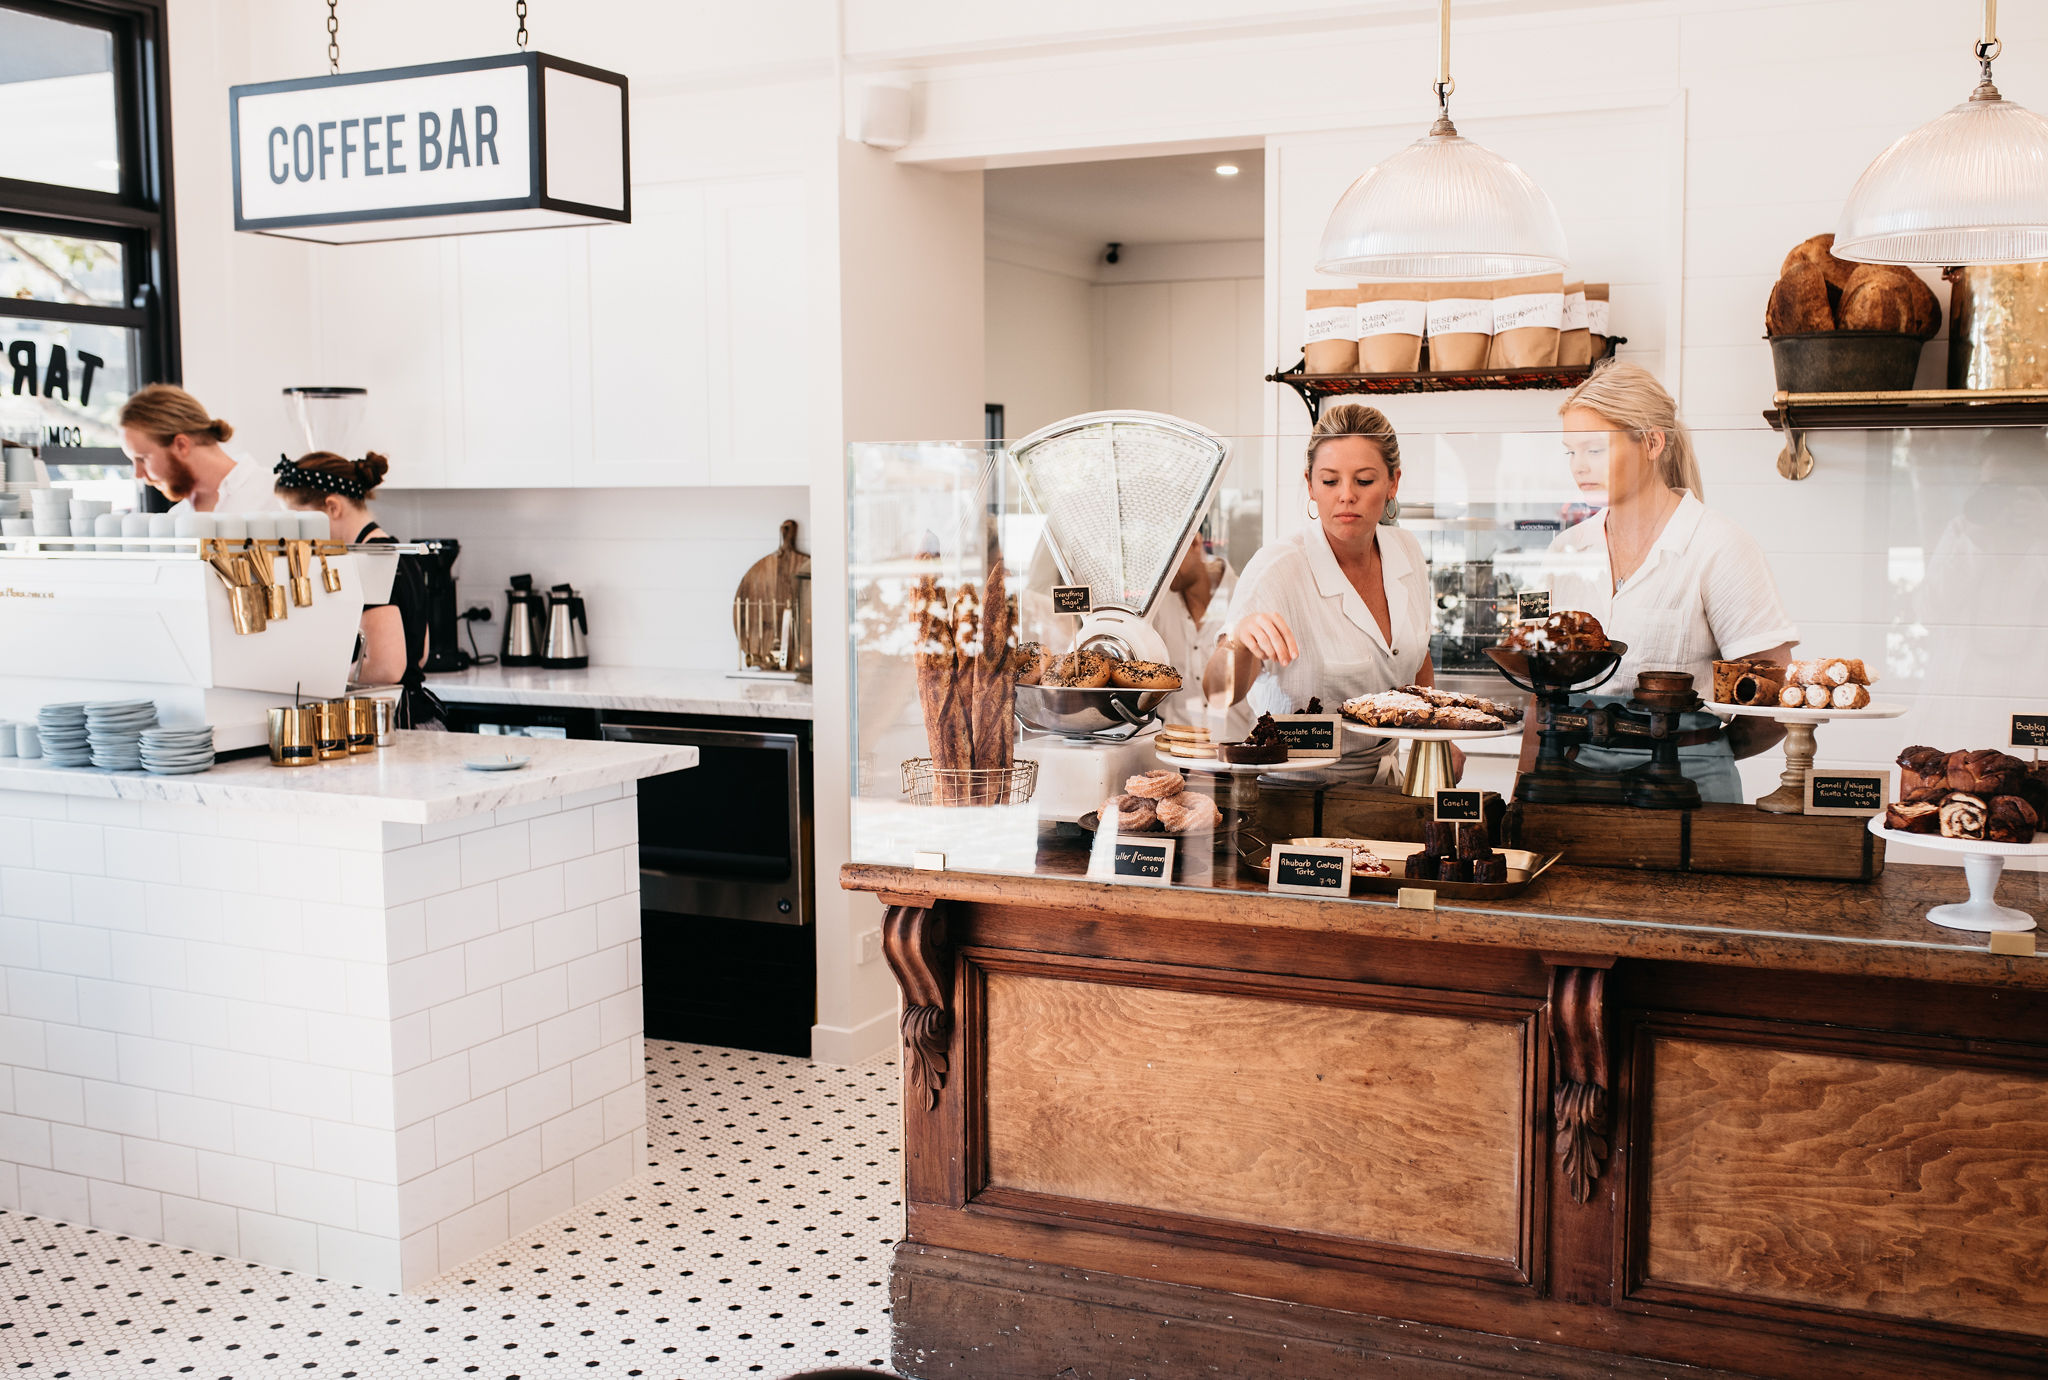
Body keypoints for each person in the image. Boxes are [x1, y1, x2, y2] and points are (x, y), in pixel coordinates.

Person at [1519, 360, 1798, 802]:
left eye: (1595, 449)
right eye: (1571, 451)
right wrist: (1522, 798)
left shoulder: (1719, 546)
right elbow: (1541, 686)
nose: (1579, 467)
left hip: (1685, 788)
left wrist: (1703, 749)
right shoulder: (1564, 552)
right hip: (1574, 782)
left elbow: (1776, 694)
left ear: (1651, 443)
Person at [1203, 403, 1448, 784]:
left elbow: (1416, 658)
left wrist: (1436, 743)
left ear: (1393, 483)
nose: (1346, 495)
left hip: (1390, 784)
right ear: (1310, 485)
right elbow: (1219, 694)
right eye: (1330, 481)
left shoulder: (1407, 552)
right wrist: (1239, 640)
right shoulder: (1277, 567)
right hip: (1295, 796)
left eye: (1364, 481)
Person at [273, 451, 441, 727]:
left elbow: (387, 667)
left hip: (395, 722)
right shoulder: (398, 551)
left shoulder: (368, 562)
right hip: (420, 715)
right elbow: (420, 655)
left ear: (333, 507)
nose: (294, 535)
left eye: (298, 521)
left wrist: (321, 676)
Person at [117, 384, 282, 514]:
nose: (137, 474)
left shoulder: (281, 496)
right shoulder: (177, 518)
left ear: (181, 445)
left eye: (142, 458)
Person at [1149, 530, 1238, 729]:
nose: (1160, 570)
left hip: (1237, 749)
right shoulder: (1157, 609)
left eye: (1168, 557)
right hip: (1172, 751)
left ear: (1195, 543)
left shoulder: (1243, 598)